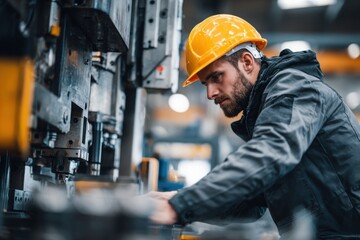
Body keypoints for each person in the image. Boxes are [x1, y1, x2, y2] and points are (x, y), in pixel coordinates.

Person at [147, 14, 360, 239]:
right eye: (205, 83)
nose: (210, 93)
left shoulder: (297, 90)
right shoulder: (263, 110)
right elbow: (248, 203)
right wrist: (179, 201)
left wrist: (181, 204)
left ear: (247, 62)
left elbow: (268, 154)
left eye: (217, 77)